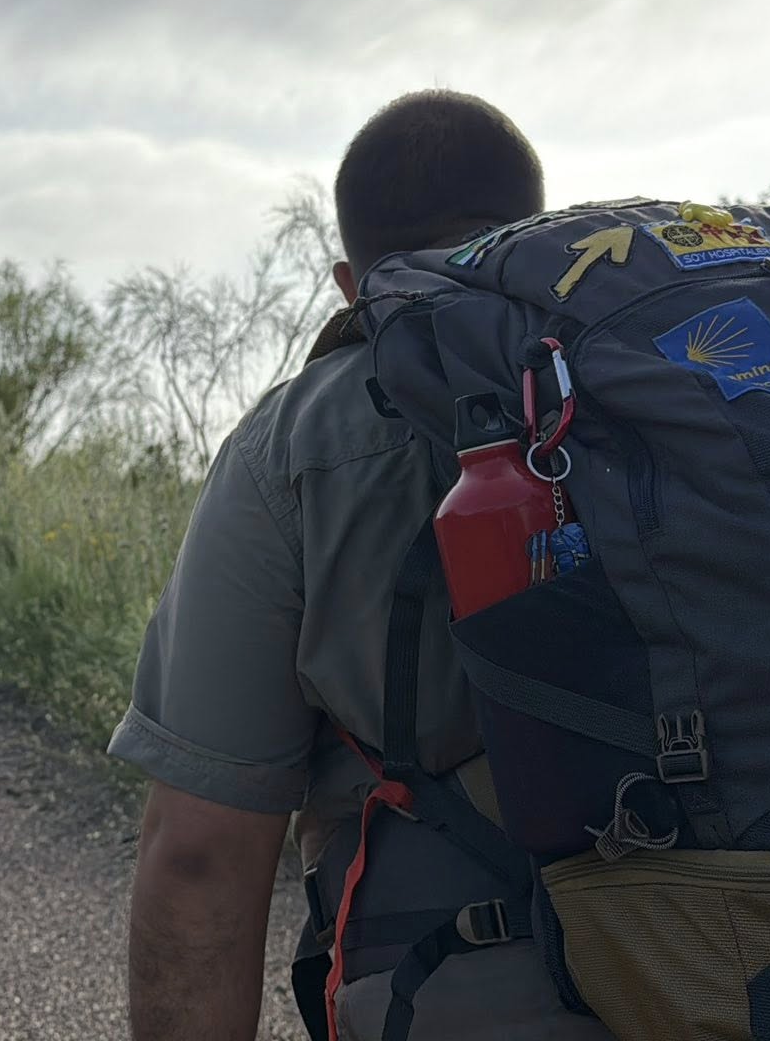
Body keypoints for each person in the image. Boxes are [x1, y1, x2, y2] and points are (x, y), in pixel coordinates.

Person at [109, 90, 614, 1041]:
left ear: (352, 282)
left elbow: (202, 854)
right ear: (536, 233)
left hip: (474, 981)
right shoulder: (668, 382)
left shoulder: (296, 445)